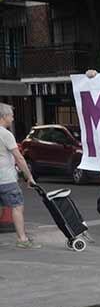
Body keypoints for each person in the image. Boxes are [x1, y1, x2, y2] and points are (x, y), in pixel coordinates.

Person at [0, 102, 40, 249]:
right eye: (11, 116)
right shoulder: (5, 134)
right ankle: (22, 239)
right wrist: (29, 176)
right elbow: (20, 158)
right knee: (17, 207)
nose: (12, 119)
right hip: (6, 179)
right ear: (4, 116)